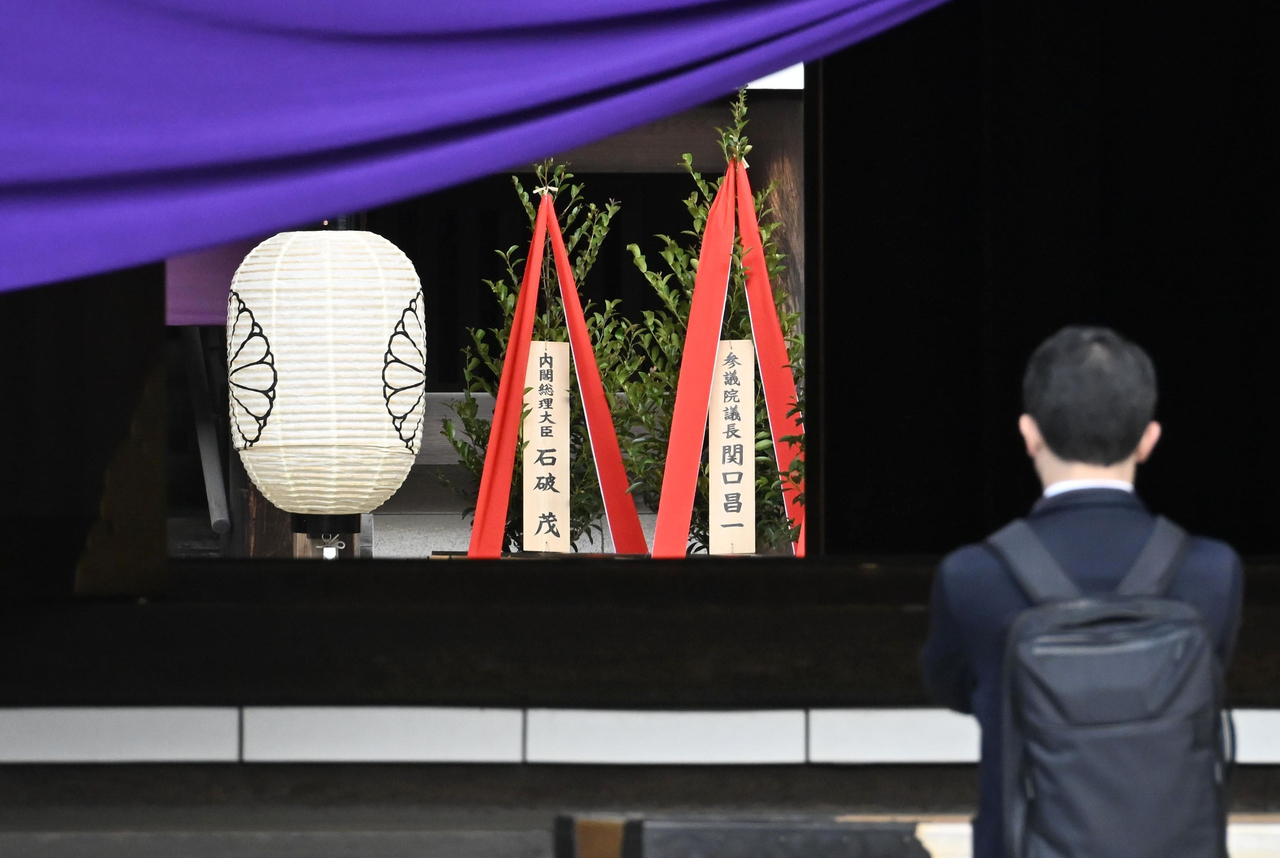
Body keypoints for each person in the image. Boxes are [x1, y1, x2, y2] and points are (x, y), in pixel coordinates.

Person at [920, 325, 1243, 858]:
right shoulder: (1212, 572)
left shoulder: (973, 577)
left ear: (1029, 433)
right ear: (1149, 439)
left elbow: (952, 685)